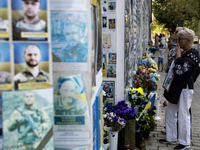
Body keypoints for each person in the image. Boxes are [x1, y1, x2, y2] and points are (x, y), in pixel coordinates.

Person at [159, 28, 199, 150]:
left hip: (185, 87)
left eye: (179, 40)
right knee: (170, 111)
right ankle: (170, 137)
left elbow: (181, 70)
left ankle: (184, 142)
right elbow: (172, 67)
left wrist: (177, 56)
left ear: (186, 40)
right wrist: (174, 57)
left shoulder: (193, 54)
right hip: (176, 87)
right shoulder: (183, 52)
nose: (177, 42)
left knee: (183, 114)